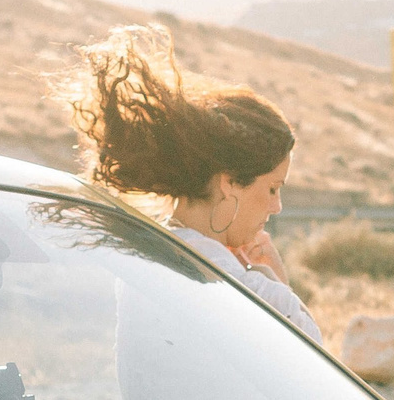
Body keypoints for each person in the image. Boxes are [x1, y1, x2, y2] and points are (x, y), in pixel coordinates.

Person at [59, 23, 319, 341]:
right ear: (230, 183)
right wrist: (276, 282)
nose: (276, 206)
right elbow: (314, 370)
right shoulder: (238, 287)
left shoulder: (150, 256)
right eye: (272, 188)